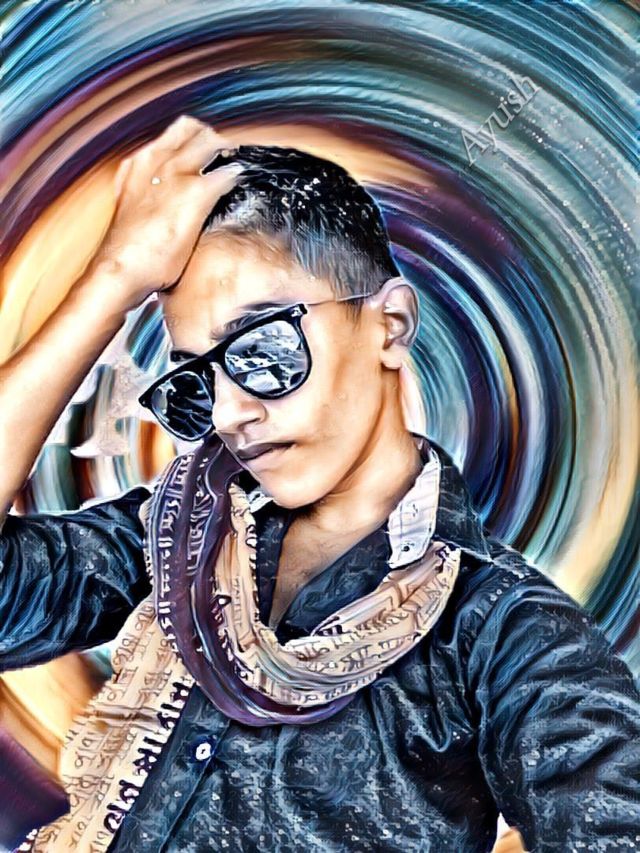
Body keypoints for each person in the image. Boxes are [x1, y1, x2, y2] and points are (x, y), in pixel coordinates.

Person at [0, 115, 638, 853]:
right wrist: (111, 280)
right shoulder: (176, 538)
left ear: (390, 324)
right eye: (194, 385)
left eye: (262, 349)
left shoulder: (500, 630)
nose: (229, 415)